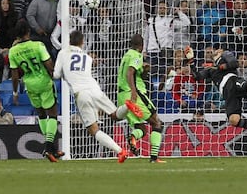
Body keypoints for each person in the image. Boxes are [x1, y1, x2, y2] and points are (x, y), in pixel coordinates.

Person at [53, 30, 143, 163]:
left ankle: (120, 151)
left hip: (81, 93)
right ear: (82, 43)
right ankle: (127, 106)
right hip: (95, 89)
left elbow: (56, 75)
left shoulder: (63, 53)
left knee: (94, 129)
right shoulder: (88, 58)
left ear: (69, 41)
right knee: (115, 115)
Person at [8, 20, 64, 162]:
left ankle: (52, 150)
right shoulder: (38, 45)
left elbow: (14, 75)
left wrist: (15, 92)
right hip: (44, 82)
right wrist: (53, 74)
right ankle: (48, 146)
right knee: (52, 114)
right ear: (28, 31)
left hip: (29, 84)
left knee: (41, 114)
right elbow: (48, 63)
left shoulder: (13, 51)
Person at [117, 34, 166, 163]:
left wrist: (144, 70)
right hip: (134, 95)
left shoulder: (127, 55)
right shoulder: (137, 55)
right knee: (156, 122)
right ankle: (154, 158)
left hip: (122, 95)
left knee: (142, 128)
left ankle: (133, 138)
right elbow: (130, 72)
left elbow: (134, 73)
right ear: (142, 46)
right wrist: (133, 92)